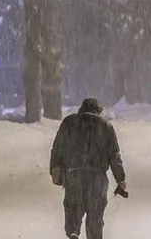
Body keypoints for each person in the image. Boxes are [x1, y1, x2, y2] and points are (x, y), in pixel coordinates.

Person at [49, 97, 126, 239]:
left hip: (74, 175)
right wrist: (120, 178)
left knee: (73, 208)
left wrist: (55, 168)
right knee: (95, 215)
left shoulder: (69, 122)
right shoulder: (105, 126)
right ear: (98, 110)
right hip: (97, 178)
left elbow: (57, 148)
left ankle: (73, 232)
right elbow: (114, 155)